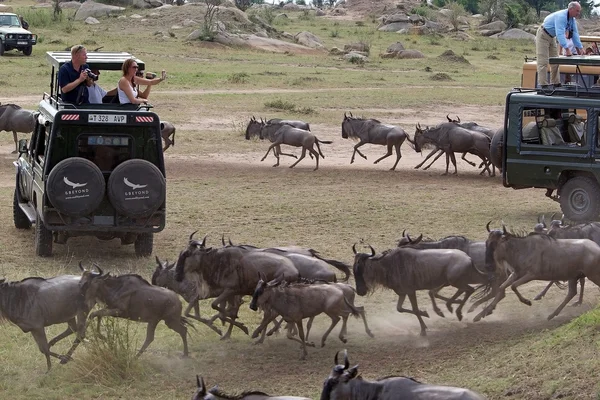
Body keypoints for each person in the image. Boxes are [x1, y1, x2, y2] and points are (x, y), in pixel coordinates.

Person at [536, 1, 585, 88]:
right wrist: (566, 49)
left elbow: (575, 34)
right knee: (543, 61)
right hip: (543, 35)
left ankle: (555, 82)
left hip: (552, 37)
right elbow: (560, 33)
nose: (578, 13)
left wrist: (580, 48)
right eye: (577, 11)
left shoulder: (572, 20)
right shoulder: (561, 16)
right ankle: (543, 84)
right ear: (571, 9)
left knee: (555, 60)